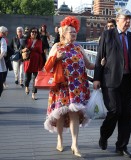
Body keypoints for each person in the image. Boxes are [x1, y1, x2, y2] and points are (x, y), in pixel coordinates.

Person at [93, 8, 131, 158]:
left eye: (130, 19)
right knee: (115, 111)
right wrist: (97, 78)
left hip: (129, 81)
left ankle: (122, 146)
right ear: (118, 20)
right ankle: (104, 136)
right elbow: (99, 58)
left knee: (127, 115)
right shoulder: (107, 35)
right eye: (126, 18)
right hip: (110, 80)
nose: (128, 21)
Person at [43, 16, 94, 157]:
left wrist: (102, 64)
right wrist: (56, 58)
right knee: (60, 115)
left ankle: (75, 144)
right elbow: (46, 67)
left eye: (75, 32)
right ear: (63, 33)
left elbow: (89, 65)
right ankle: (60, 139)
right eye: (71, 32)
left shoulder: (78, 47)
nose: (74, 34)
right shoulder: (57, 47)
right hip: (61, 87)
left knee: (74, 115)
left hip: (77, 87)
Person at [22, 27, 44, 100]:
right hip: (28, 61)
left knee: (35, 79)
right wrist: (23, 50)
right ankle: (27, 86)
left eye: (35, 32)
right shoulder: (26, 40)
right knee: (27, 78)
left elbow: (41, 51)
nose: (34, 33)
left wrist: (44, 63)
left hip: (37, 61)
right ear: (30, 33)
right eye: (32, 32)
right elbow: (20, 50)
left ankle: (34, 94)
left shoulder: (40, 41)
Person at [0, 26, 8, 99]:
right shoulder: (2, 40)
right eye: (6, 32)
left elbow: (3, 51)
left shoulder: (2, 40)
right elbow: (3, 52)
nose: (7, 33)